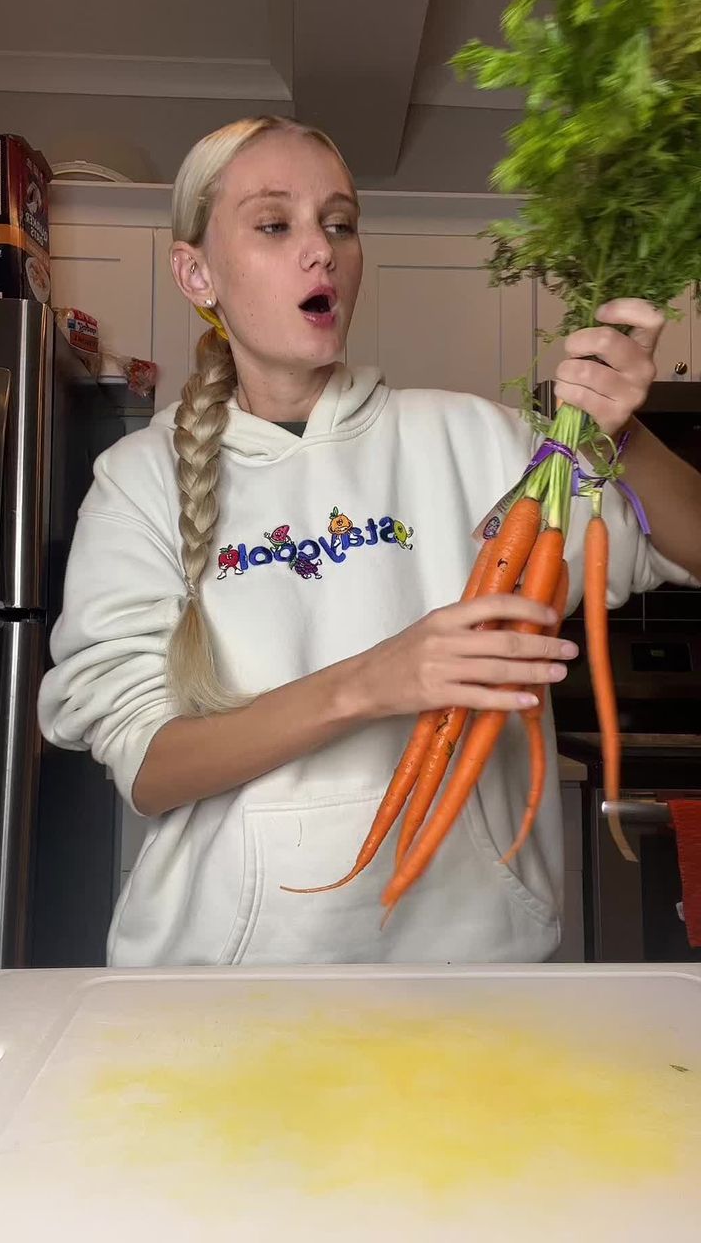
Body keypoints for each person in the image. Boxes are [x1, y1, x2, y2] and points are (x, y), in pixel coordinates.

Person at [38, 115, 701, 968]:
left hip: (474, 968)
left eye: (340, 224)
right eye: (276, 225)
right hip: (219, 984)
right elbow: (149, 767)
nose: (322, 250)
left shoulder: (482, 439)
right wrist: (371, 681)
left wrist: (623, 433)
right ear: (195, 270)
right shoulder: (137, 480)